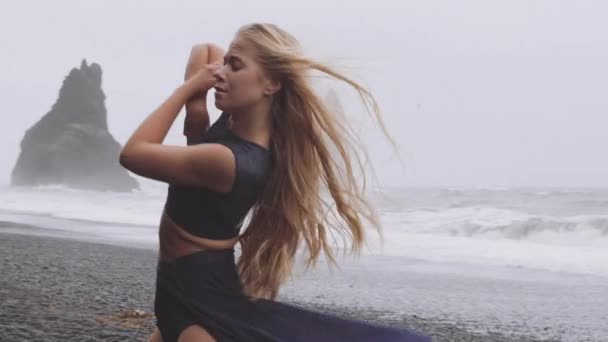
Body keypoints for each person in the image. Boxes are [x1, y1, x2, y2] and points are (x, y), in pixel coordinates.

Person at [119, 23, 431, 342]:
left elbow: (132, 154)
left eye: (235, 65)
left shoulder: (229, 160)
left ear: (270, 84)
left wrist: (187, 92)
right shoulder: (232, 124)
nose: (220, 73)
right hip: (182, 293)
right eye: (226, 63)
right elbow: (204, 49)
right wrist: (197, 110)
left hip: (203, 309)